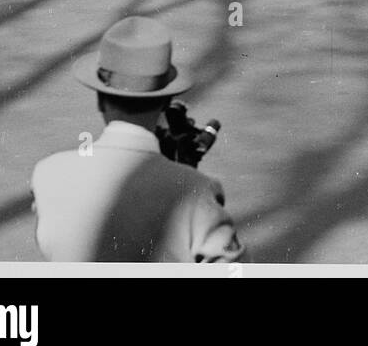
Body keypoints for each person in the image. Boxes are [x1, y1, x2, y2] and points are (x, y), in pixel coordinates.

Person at [31, 16, 247, 262]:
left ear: (100, 99)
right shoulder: (196, 191)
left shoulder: (47, 174)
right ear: (166, 101)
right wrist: (182, 174)